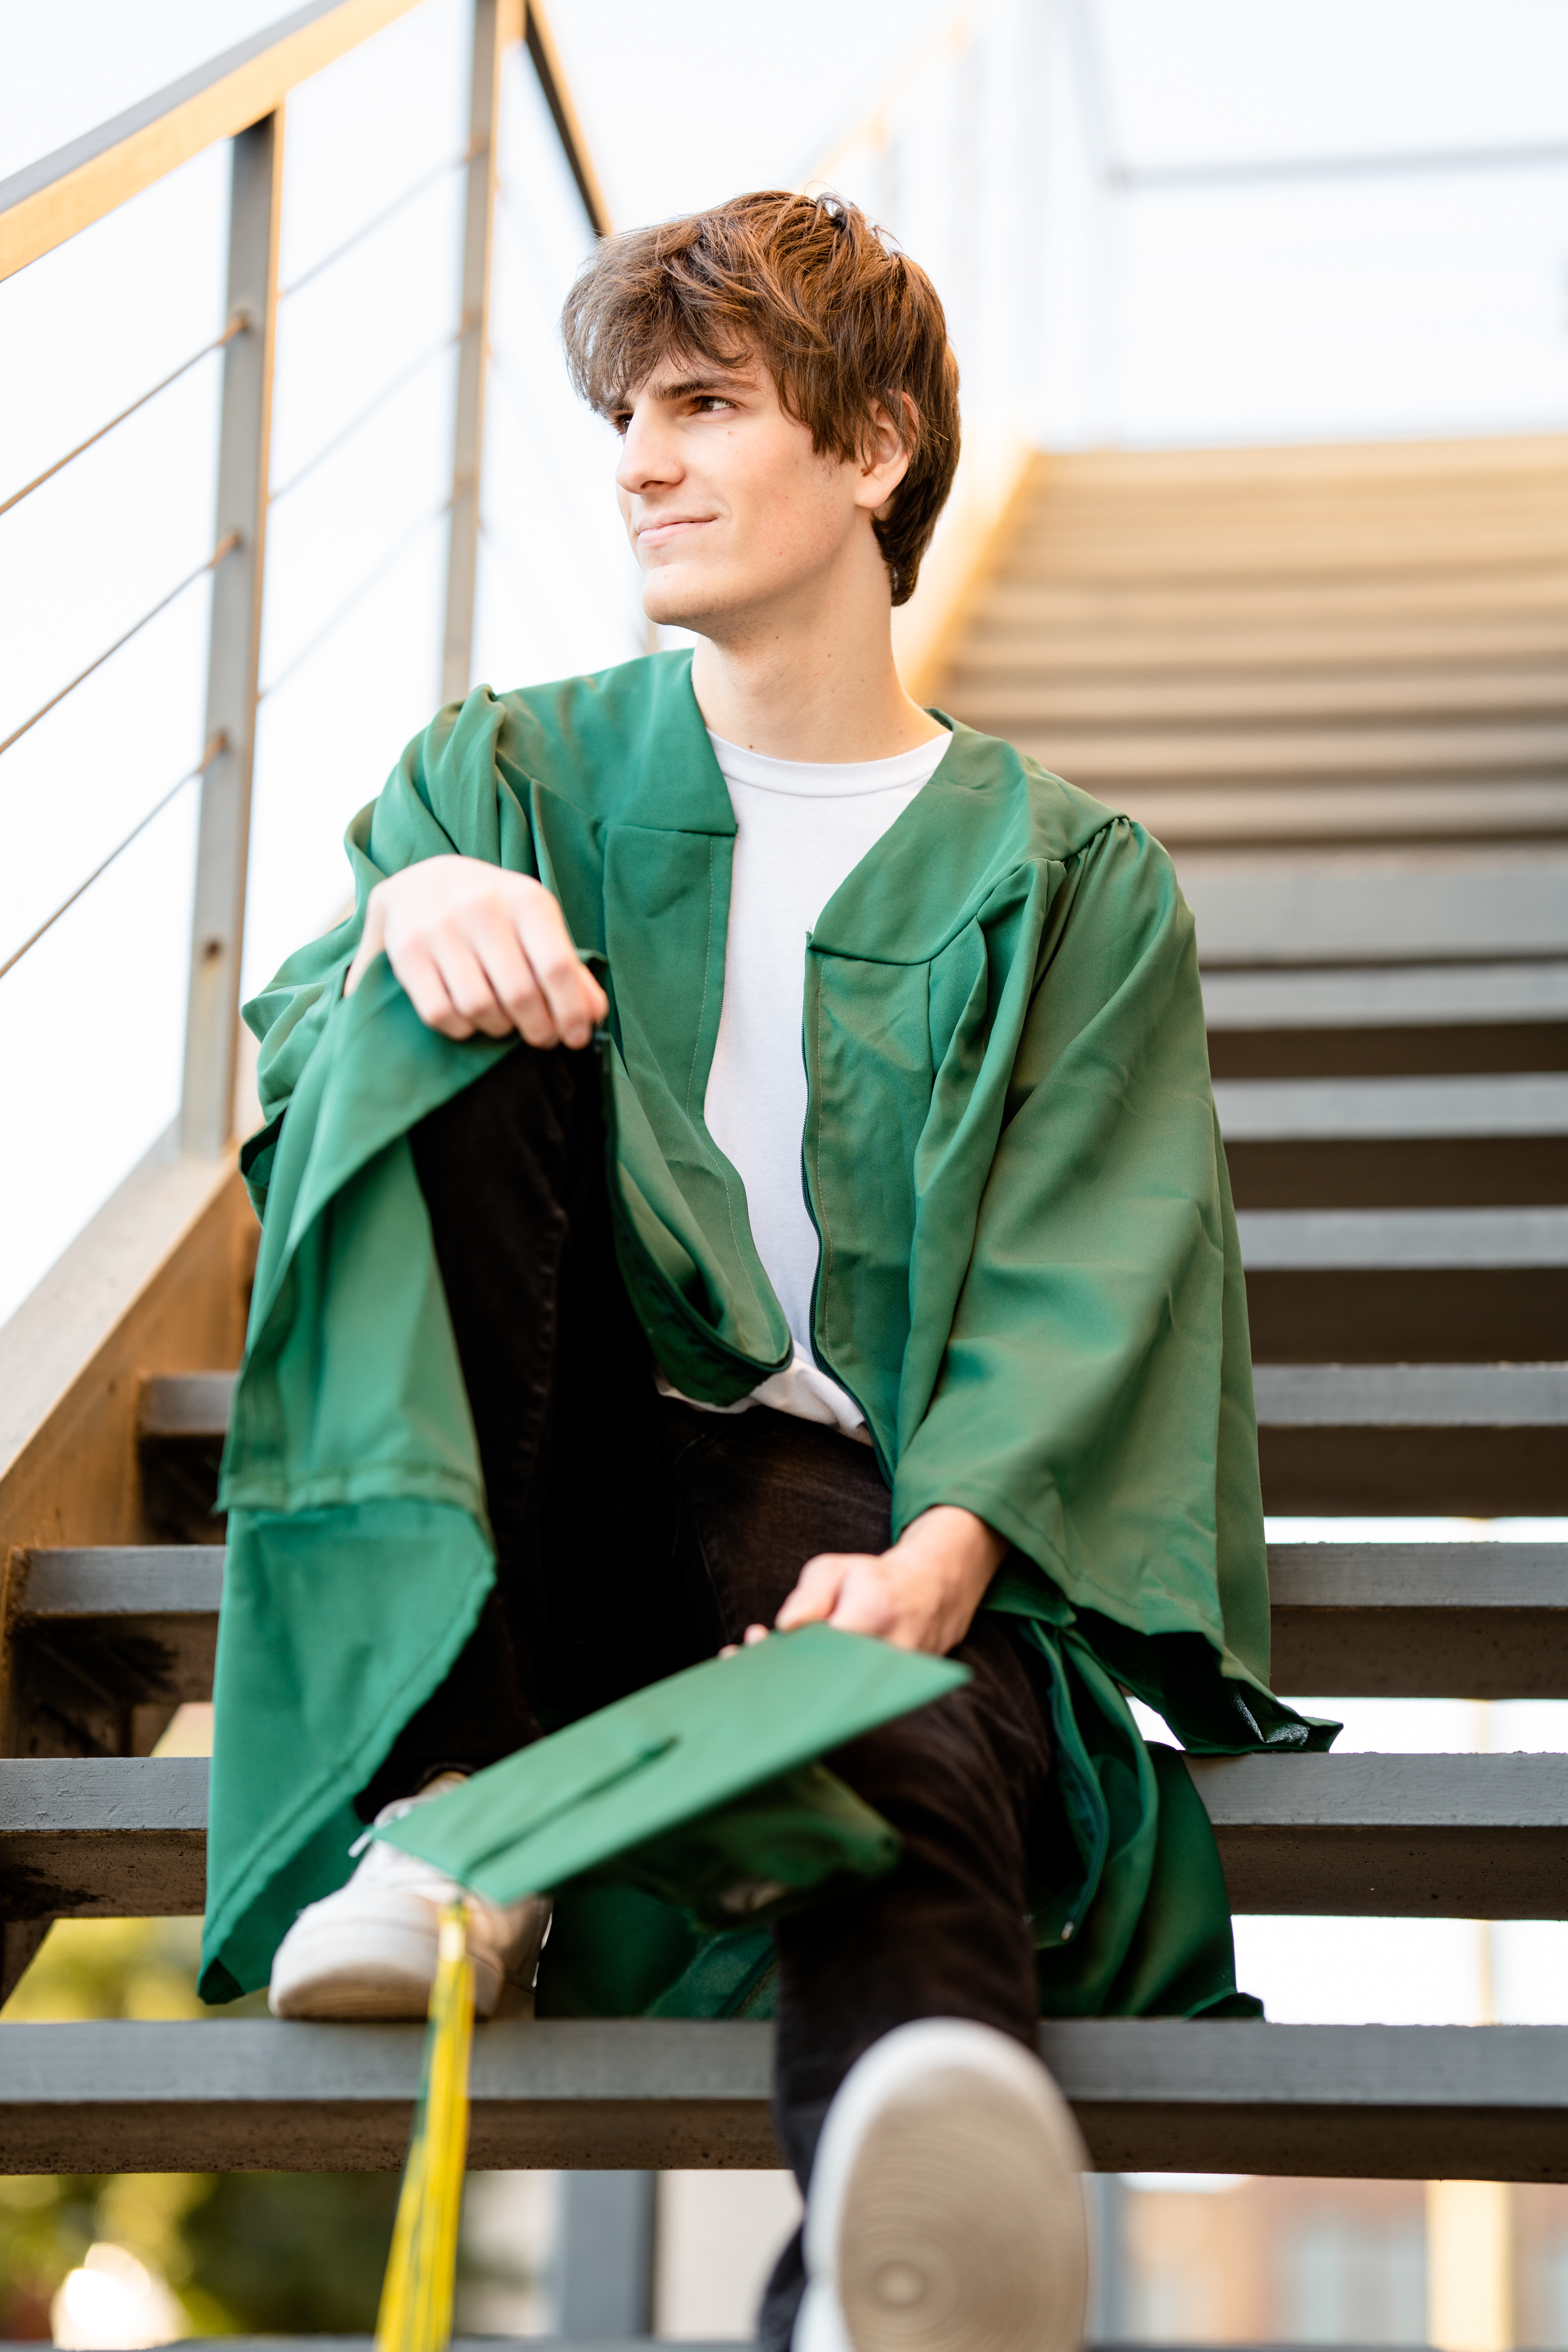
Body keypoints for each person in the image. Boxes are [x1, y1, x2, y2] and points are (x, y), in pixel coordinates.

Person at [202, 191, 1329, 2352]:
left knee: (899, 1698)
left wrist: (946, 1549)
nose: (638, 454)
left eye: (706, 403)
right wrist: (414, 901)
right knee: (418, 1002)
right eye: (628, 410)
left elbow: (1101, 1253)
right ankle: (451, 1822)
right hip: (555, 1480)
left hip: (854, 1495)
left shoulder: (1067, 875)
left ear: (876, 449)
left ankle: (886, 2249)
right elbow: (330, 1120)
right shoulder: (508, 776)